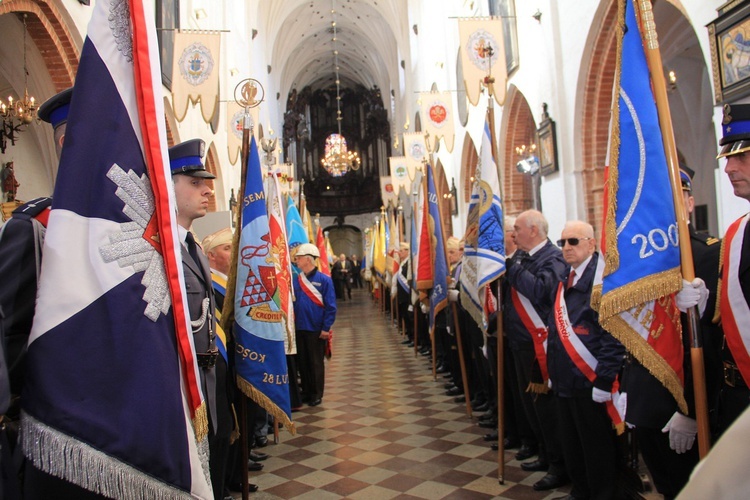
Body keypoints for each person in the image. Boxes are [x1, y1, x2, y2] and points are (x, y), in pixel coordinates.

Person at [1, 88, 78, 500]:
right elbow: (12, 335)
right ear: (69, 141)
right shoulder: (36, 227)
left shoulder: (136, 234)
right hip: (57, 429)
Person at [170, 139, 233, 500]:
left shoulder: (191, 246)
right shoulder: (163, 247)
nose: (208, 189)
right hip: (181, 388)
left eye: (207, 181)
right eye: (195, 183)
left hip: (204, 383)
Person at [547, 220, 624, 500]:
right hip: (565, 379)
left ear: (591, 243)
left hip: (589, 380)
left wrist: (604, 378)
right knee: (572, 444)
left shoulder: (601, 280)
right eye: (562, 242)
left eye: (573, 241)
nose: (566, 247)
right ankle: (580, 491)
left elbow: (612, 336)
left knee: (596, 447)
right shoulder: (566, 277)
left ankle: (602, 494)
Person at [504, 209, 568, 491]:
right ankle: (544, 452)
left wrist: (513, 268)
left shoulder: (551, 257)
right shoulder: (522, 256)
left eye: (517, 228)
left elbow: (542, 291)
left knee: (547, 409)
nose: (513, 234)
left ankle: (558, 464)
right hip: (519, 341)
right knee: (532, 406)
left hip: (539, 344)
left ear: (533, 230)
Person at [201, 228, 264, 495]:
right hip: (222, 363)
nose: (232, 254)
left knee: (242, 417)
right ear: (212, 256)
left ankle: (238, 470)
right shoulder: (209, 284)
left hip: (241, 360)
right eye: (227, 249)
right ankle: (226, 480)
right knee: (226, 425)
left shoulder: (232, 282)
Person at [713, 103, 750, 435]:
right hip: (737, 395)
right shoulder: (737, 232)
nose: (729, 168)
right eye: (727, 158)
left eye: (742, 156)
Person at [293, 243, 336, 406]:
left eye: (298, 258)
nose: (296, 261)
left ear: (308, 259)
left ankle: (317, 393)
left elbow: (331, 306)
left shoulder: (324, 280)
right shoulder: (297, 281)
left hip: (316, 328)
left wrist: (326, 328)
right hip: (299, 327)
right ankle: (307, 391)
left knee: (315, 362)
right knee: (303, 362)